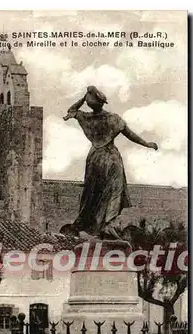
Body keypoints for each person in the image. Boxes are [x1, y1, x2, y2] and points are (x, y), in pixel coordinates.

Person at [64, 86, 158, 239]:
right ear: (103, 103)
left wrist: (84, 96)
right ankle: (108, 224)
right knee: (115, 191)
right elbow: (130, 134)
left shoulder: (86, 117)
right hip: (111, 158)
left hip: (94, 158)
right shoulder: (113, 119)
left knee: (92, 194)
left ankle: (95, 227)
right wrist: (147, 144)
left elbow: (72, 109)